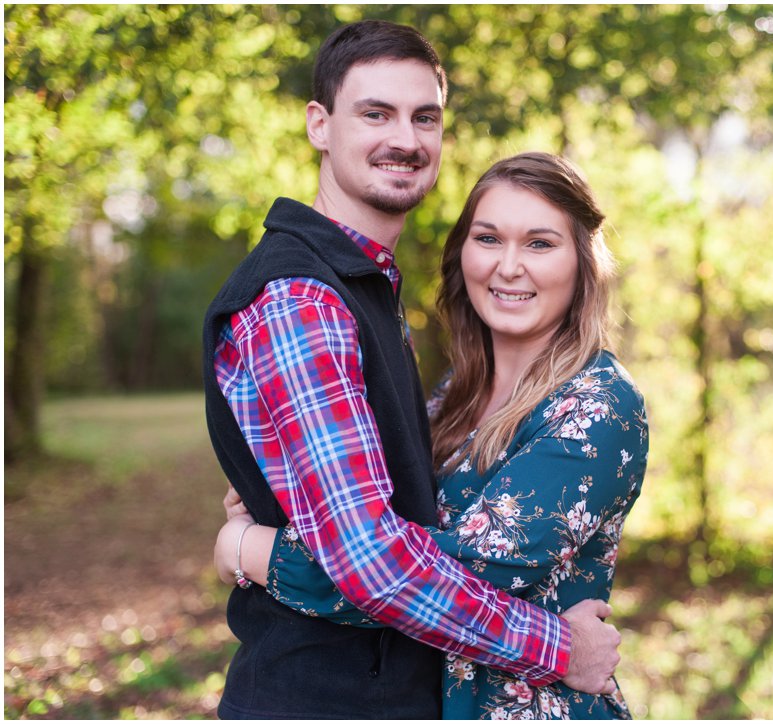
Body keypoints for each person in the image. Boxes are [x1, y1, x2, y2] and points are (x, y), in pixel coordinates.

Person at [202, 20, 619, 719]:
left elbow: (388, 524)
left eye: (425, 116)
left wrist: (257, 542)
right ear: (319, 125)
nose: (406, 138)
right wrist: (559, 648)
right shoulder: (305, 300)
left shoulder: (365, 289)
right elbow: (369, 561)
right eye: (375, 113)